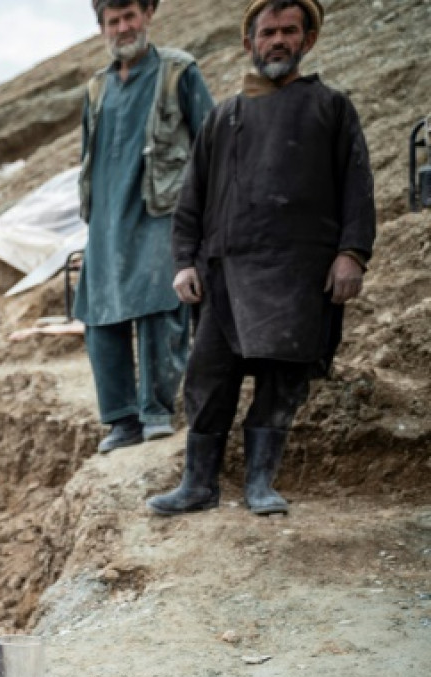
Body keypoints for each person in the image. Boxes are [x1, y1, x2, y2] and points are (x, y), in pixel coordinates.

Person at [150, 0, 374, 516]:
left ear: (308, 39)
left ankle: (259, 484)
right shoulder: (223, 117)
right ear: (249, 42)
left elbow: (357, 188)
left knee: (281, 382)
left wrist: (352, 253)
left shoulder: (331, 108)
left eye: (288, 31)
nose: (277, 40)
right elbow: (191, 199)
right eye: (268, 32)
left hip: (299, 277)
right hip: (223, 276)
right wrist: (184, 261)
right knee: (207, 380)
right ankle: (199, 485)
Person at [75, 0, 214, 453]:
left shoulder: (178, 72)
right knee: (99, 316)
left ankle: (157, 411)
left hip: (161, 212)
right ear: (102, 28)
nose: (123, 28)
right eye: (113, 21)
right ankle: (121, 420)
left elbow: (211, 146)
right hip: (105, 222)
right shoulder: (96, 89)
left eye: (130, 17)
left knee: (160, 309)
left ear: (148, 15)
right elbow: (87, 159)